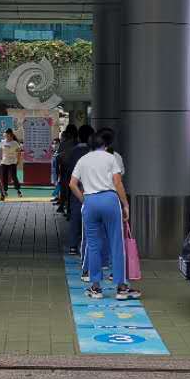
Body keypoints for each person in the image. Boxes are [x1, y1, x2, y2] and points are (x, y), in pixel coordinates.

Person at [69, 127, 134, 302]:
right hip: (110, 200)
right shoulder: (111, 158)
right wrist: (125, 204)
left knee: (93, 245)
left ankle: (96, 287)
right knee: (116, 243)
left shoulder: (83, 160)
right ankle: (121, 287)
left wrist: (84, 200)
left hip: (90, 201)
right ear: (104, 145)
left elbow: (72, 184)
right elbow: (117, 182)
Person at [61, 124, 93, 255]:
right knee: (91, 216)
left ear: (79, 137)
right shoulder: (93, 151)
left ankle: (73, 245)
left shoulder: (73, 151)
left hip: (77, 186)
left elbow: (68, 167)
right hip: (92, 187)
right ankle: (88, 244)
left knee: (75, 215)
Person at [0, 127, 23, 199]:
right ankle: (5, 191)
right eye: (5, 134)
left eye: (7, 134)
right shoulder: (2, 142)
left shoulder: (15, 143)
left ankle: (18, 190)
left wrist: (18, 160)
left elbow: (19, 152)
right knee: (4, 177)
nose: (6, 135)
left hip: (12, 162)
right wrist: (0, 159)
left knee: (14, 176)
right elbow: (0, 151)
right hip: (4, 162)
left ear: (11, 135)